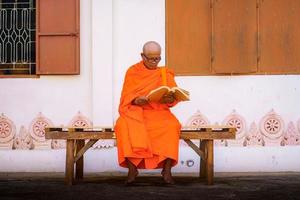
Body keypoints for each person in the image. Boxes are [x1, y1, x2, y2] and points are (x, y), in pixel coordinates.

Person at [114, 41, 181, 185]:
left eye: (157, 58)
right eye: (151, 59)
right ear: (142, 56)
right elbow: (126, 97)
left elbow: (173, 95)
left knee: (172, 125)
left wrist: (169, 99)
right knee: (122, 125)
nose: (154, 62)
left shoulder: (164, 73)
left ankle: (167, 170)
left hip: (159, 112)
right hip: (136, 112)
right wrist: (136, 100)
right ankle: (132, 169)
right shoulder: (133, 71)